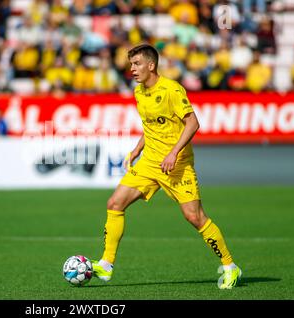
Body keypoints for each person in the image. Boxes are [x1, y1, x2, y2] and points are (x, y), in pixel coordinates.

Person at [92, 44, 242, 289]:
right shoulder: (139, 92)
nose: (132, 69)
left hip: (177, 165)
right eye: (130, 64)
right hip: (151, 161)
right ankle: (106, 265)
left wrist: (174, 152)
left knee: (194, 217)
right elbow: (151, 126)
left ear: (151, 65)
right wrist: (137, 149)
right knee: (115, 203)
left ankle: (230, 266)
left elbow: (193, 123)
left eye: (137, 64)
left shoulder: (172, 89)